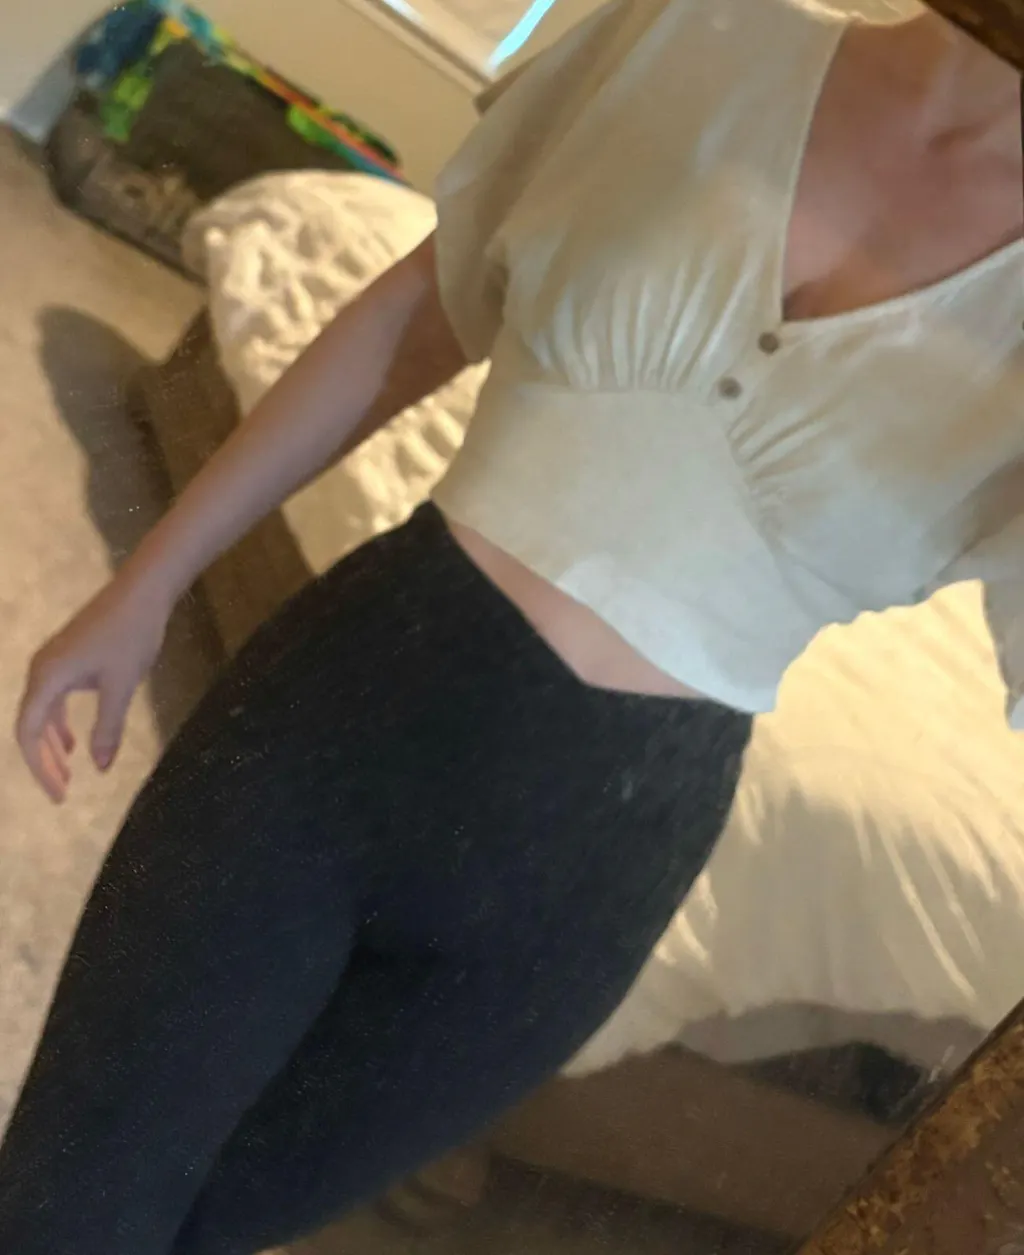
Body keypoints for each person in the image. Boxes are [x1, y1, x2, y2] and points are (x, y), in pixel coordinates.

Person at [2, 0, 1022, 1249]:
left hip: (594, 879)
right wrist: (147, 583)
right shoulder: (700, 33)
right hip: (338, 723)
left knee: (214, 1231)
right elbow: (418, 310)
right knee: (66, 1208)